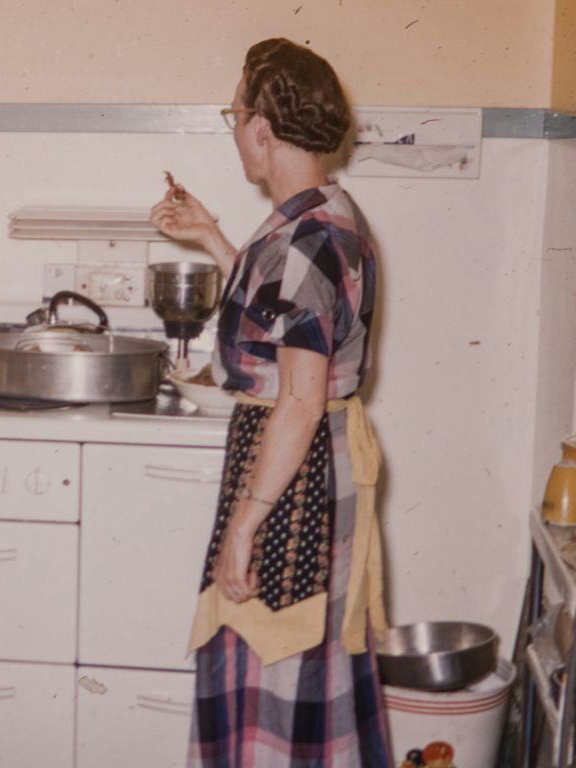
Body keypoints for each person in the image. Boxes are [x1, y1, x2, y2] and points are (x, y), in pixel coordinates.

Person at [150, 39, 390, 766]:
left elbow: (298, 401)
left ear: (260, 127)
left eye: (235, 113)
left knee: (277, 659)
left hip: (296, 467)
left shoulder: (305, 238)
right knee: (286, 659)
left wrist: (244, 527)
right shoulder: (320, 214)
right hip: (304, 461)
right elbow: (281, 318)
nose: (235, 132)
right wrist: (213, 238)